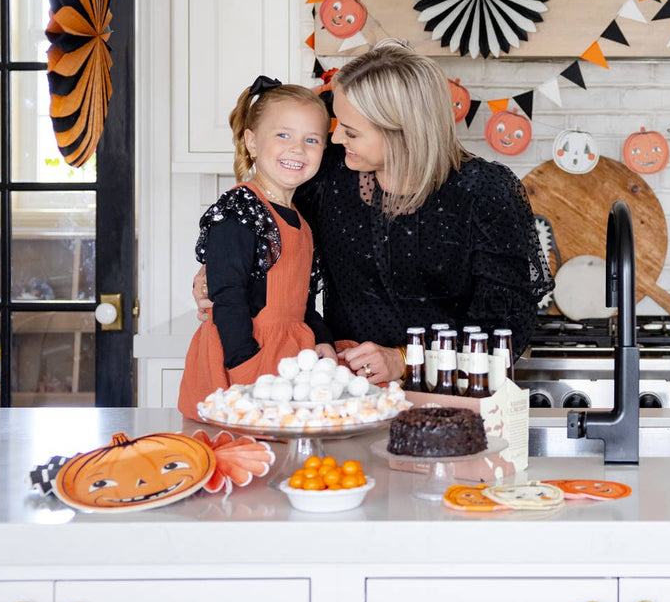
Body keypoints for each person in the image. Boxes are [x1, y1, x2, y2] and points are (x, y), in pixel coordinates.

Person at [195, 41, 551, 386]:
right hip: (345, 392)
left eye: (349, 132)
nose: (335, 141)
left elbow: (506, 329)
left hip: (449, 395)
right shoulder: (329, 176)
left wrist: (404, 358)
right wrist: (218, 268)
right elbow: (268, 231)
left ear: (402, 134)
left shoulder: (484, 193)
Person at [177, 77, 335, 419]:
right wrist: (244, 365)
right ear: (251, 141)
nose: (298, 148)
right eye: (283, 135)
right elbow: (228, 297)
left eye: (312, 139)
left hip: (292, 358)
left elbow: (303, 304)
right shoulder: (240, 211)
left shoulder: (302, 222)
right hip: (245, 359)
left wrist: (323, 340)